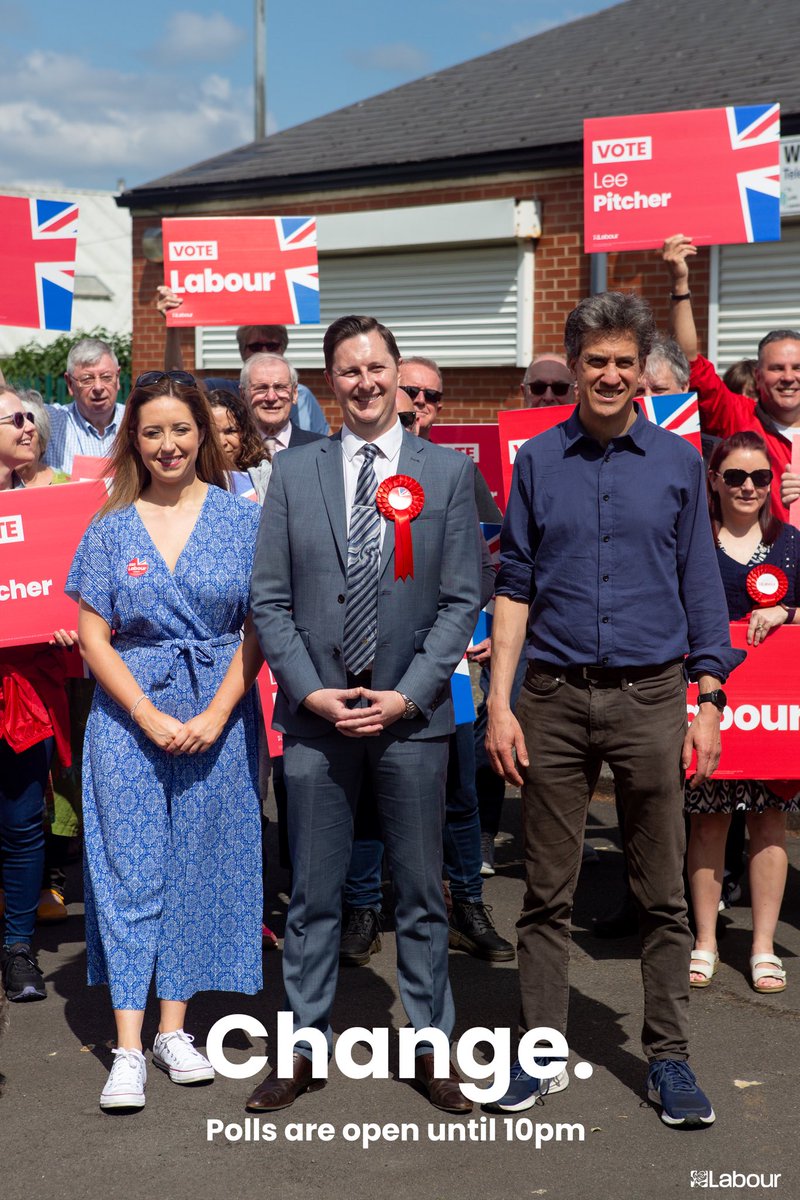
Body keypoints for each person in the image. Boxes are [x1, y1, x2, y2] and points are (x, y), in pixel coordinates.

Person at [485, 291, 744, 1129]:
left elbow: (702, 584)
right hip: (553, 701)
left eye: (622, 363)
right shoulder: (537, 461)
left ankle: (668, 1060)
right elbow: (515, 585)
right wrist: (500, 704)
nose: (607, 374)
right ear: (576, 366)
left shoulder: (676, 463)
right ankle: (541, 1054)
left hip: (653, 699)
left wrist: (709, 698)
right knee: (545, 897)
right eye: (593, 361)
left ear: (642, 373)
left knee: (662, 893)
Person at [247, 314, 482, 1113]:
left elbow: (460, 602)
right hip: (317, 718)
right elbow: (269, 600)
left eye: (377, 367)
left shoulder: (445, 474)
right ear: (330, 383)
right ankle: (301, 1046)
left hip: (411, 719)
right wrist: (309, 690)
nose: (366, 383)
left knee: (419, 893)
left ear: (396, 371)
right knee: (313, 897)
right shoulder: (295, 473)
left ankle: (432, 1046)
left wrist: (410, 691)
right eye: (348, 371)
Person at [66, 370, 264, 1111]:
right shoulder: (110, 528)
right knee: (128, 873)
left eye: (181, 428)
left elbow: (258, 628)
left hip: (219, 712)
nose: (168, 444)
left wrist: (215, 713)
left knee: (195, 868)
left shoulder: (242, 519)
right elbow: (92, 636)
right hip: (127, 721)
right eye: (152, 431)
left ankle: (172, 1028)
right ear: (133, 441)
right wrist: (147, 715)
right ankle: (126, 1047)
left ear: (203, 436)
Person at [339, 360, 511, 966]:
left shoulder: (456, 472)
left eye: (430, 395)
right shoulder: (350, 468)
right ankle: (362, 908)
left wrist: (482, 623)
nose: (417, 401)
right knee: (363, 791)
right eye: (408, 389)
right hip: (366, 661)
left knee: (459, 789)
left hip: (447, 663)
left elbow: (493, 559)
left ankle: (466, 904)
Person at [686, 431, 799, 994]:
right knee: (708, 821)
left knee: (769, 822)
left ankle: (761, 945)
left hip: (774, 712)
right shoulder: (692, 540)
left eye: (760, 477)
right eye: (735, 476)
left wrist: (789, 612)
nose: (749, 486)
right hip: (708, 704)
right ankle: (705, 939)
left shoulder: (793, 544)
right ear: (714, 480)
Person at [0, 387, 72, 1001]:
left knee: (25, 824)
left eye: (30, 417)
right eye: (15, 418)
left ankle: (18, 947)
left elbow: (65, 590)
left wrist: (67, 619)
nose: (30, 425)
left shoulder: (49, 507)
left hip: (25, 690)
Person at [663, 234, 800, 520]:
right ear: (758, 376)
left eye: (797, 367)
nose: (789, 377)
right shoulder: (736, 417)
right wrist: (680, 285)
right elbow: (689, 362)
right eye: (777, 368)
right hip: (755, 563)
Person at [156, 287, 329, 434]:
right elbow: (178, 382)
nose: (263, 352)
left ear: (282, 348)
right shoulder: (226, 391)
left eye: (271, 345)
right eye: (255, 346)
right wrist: (173, 325)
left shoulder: (303, 396)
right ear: (242, 352)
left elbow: (325, 443)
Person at [44, 338, 125, 475]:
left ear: (117, 378)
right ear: (70, 384)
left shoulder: (136, 420)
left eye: (106, 377)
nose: (98, 387)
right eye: (87, 379)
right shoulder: (52, 423)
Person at [239, 353, 325, 455]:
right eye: (261, 388)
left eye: (280, 387)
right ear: (243, 395)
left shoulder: (321, 448)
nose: (271, 397)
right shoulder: (229, 450)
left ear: (295, 393)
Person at [206, 388, 272, 502]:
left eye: (231, 431)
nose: (222, 442)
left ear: (245, 432)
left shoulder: (265, 478)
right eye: (213, 433)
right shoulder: (188, 482)